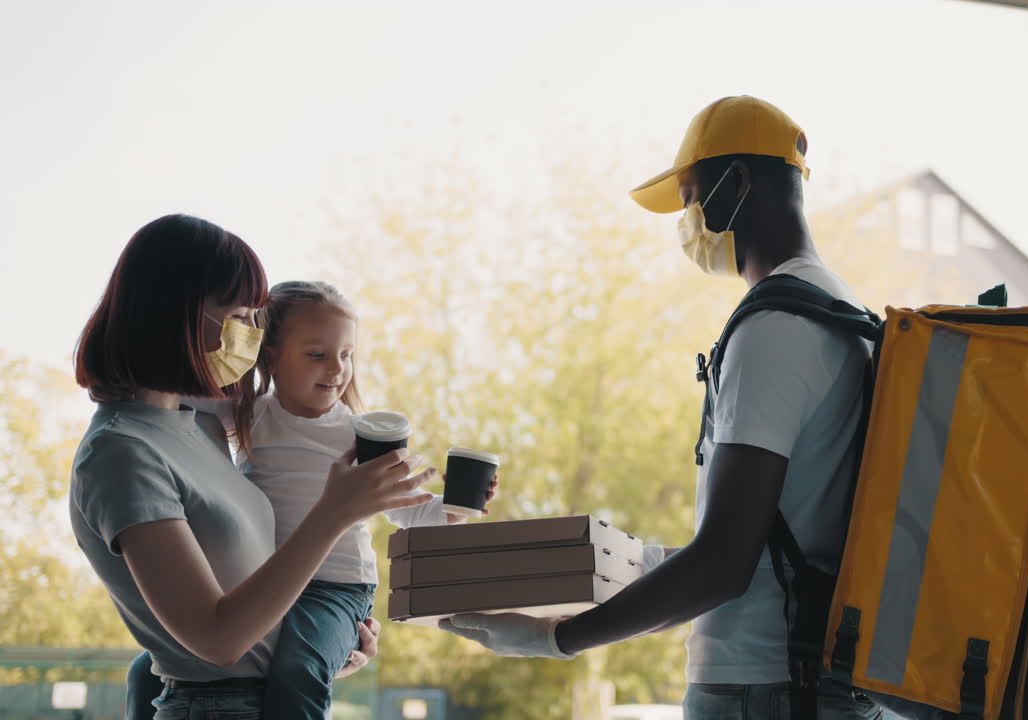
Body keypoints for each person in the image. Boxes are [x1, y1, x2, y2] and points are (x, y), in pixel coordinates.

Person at [439, 96, 884, 719]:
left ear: (739, 183)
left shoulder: (775, 328)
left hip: (764, 689)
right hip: (810, 678)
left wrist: (555, 639)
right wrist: (637, 563)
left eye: (690, 196)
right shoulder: (842, 310)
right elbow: (771, 544)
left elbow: (724, 567)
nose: (687, 218)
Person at [70, 214, 434, 719]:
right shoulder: (121, 453)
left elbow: (251, 601)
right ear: (178, 312)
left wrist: (323, 649)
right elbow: (218, 640)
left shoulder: (198, 427)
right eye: (240, 316)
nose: (252, 338)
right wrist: (334, 513)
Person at [124, 279, 501, 719]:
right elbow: (181, 394)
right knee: (148, 668)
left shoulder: (363, 438)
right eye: (317, 355)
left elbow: (413, 513)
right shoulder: (250, 414)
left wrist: (457, 507)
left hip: (336, 588)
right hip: (266, 585)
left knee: (299, 668)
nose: (337, 369)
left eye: (346, 355)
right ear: (270, 356)